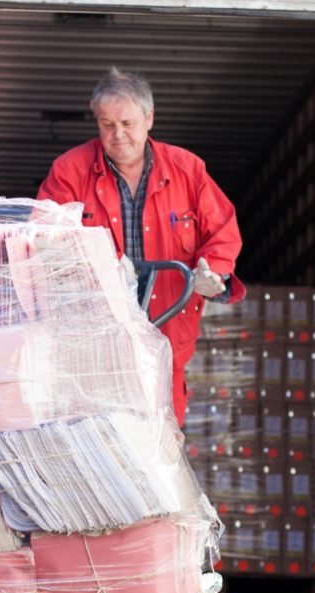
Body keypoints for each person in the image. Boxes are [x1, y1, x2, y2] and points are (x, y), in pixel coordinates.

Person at [37, 67, 245, 426]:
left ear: (149, 118)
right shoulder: (69, 171)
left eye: (127, 123)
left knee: (160, 442)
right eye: (107, 125)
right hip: (93, 341)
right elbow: (43, 242)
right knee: (96, 441)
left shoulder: (188, 170)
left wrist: (214, 275)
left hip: (167, 334)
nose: (118, 135)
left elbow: (223, 234)